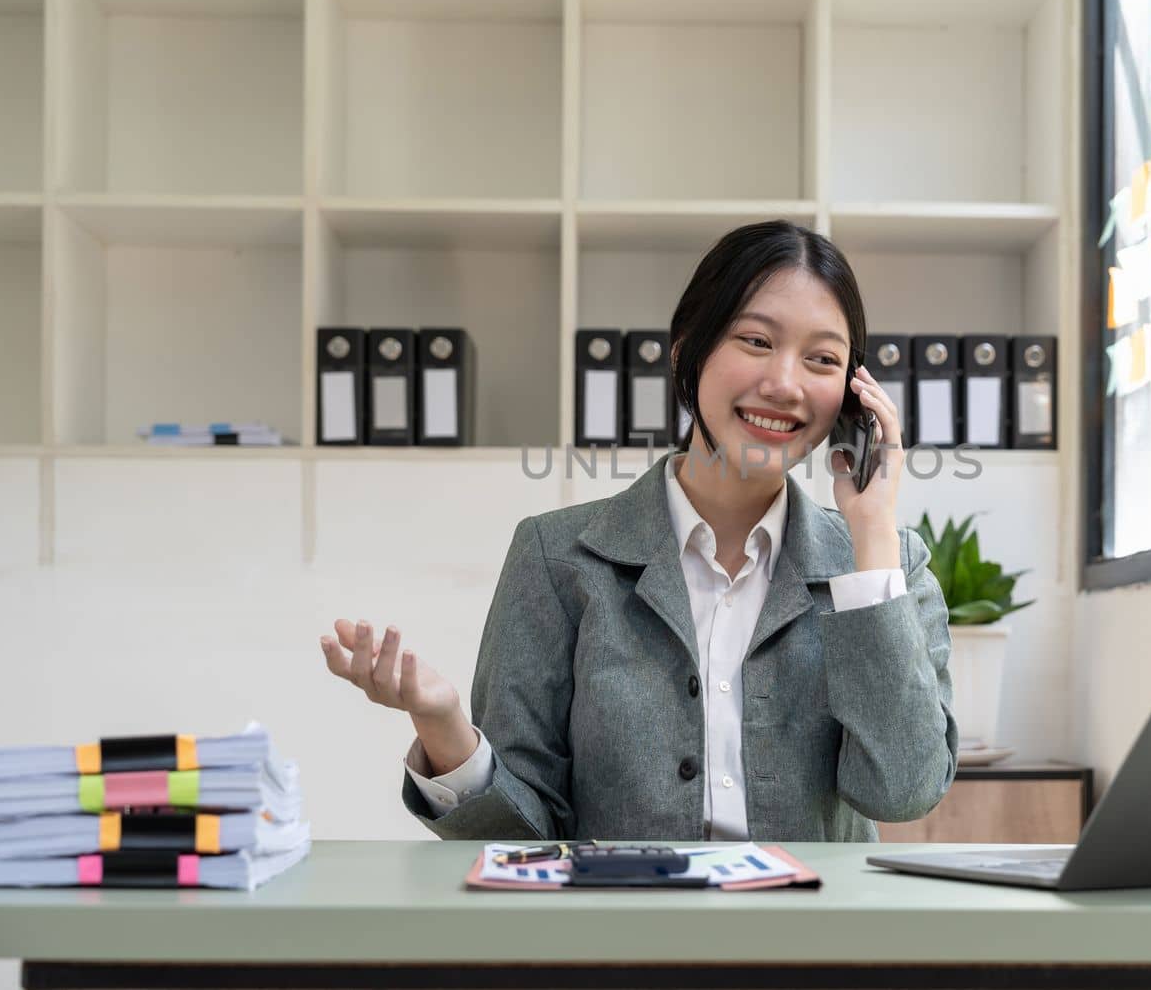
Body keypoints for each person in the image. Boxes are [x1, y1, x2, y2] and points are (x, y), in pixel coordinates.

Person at [320, 220, 957, 841]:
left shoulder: (889, 566)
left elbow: (900, 791)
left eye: (821, 359)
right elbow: (522, 832)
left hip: (813, 941)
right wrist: (445, 727)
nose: (784, 384)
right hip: (619, 939)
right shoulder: (556, 556)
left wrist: (870, 536)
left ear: (852, 397)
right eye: (757, 342)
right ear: (689, 351)